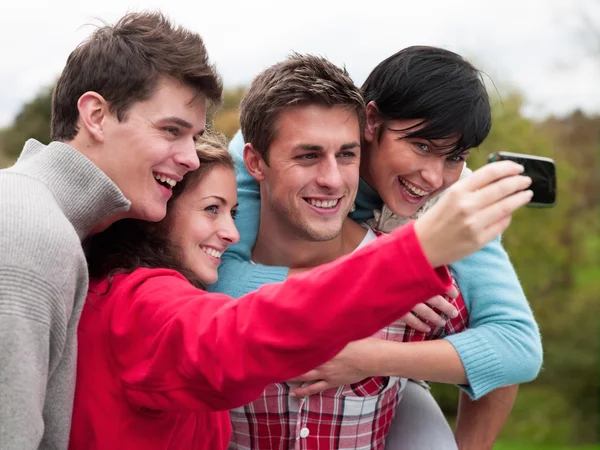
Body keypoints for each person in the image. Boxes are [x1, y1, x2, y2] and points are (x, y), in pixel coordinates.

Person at [69, 130, 529, 450]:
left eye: (232, 211)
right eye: (211, 210)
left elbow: (510, 345)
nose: (232, 233)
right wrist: (395, 269)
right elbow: (247, 329)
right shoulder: (145, 306)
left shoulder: (123, 291)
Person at [211, 49, 542, 449]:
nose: (434, 176)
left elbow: (514, 343)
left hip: (390, 373)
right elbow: (217, 283)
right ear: (371, 122)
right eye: (420, 146)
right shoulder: (266, 149)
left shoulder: (455, 199)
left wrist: (369, 357)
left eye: (454, 157)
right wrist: (373, 283)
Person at [0, 11, 221, 450]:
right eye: (172, 131)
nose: (192, 158)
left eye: (194, 137)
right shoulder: (31, 235)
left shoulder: (39, 214)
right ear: (96, 115)